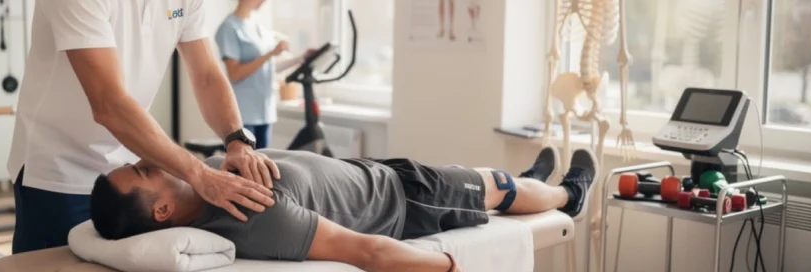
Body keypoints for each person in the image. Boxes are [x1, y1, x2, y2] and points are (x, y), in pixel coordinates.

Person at [6, 0, 279, 254]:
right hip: (59, 174)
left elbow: (205, 74)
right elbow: (109, 104)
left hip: (129, 172)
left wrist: (237, 140)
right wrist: (197, 173)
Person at [90, 147, 597, 272]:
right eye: (143, 171)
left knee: (488, 177)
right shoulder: (252, 216)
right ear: (161, 212)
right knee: (498, 187)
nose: (149, 160)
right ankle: (568, 195)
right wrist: (445, 265)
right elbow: (365, 251)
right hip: (402, 198)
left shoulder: (206, 180)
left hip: (372, 170)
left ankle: (534, 181)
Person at [215, 0, 313, 149]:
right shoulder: (229, 28)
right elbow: (235, 74)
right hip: (243, 113)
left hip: (265, 111)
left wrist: (302, 58)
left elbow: (270, 66)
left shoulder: (260, 27)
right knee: (247, 163)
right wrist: (270, 54)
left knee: (263, 161)